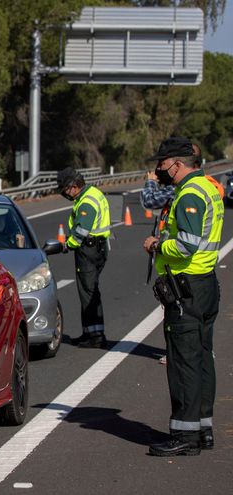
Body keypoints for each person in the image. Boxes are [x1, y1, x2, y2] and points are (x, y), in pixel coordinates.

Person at [142, 137, 223, 456]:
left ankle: (185, 436)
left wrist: (157, 245)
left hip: (186, 287)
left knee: (183, 361)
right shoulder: (208, 187)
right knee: (202, 358)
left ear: (177, 163)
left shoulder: (190, 193)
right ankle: (202, 429)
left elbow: (187, 244)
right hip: (204, 284)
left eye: (162, 163)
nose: (158, 169)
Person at [57, 167, 111, 349]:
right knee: (88, 291)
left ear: (73, 186)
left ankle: (96, 336)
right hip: (98, 248)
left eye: (65, 189)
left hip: (89, 250)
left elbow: (81, 231)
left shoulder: (86, 202)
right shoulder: (93, 193)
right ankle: (89, 332)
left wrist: (67, 245)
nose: (65, 193)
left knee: (89, 292)